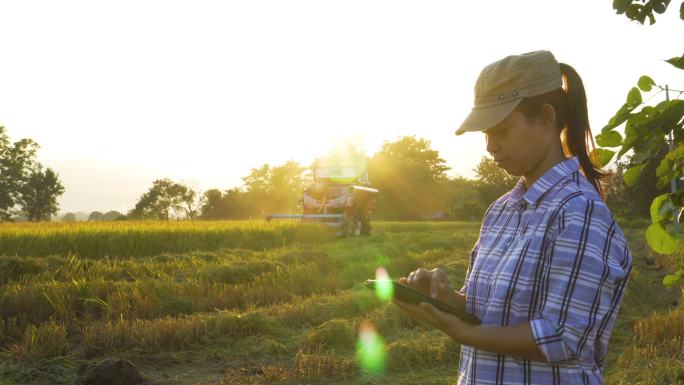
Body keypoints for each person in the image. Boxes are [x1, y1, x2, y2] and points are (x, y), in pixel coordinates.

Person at [392, 50, 633, 384]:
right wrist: (443, 300)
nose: (490, 146)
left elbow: (562, 336)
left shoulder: (580, 212)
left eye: (501, 130)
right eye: (485, 134)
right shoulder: (500, 211)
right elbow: (492, 314)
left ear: (546, 118)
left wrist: (463, 333)